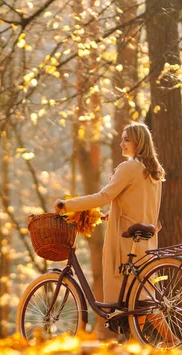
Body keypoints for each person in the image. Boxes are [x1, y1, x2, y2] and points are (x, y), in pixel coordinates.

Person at [54, 122, 165, 326]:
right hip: (146, 241)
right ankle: (167, 342)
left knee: (136, 299)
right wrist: (110, 215)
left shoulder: (129, 167)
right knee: (142, 300)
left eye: (126, 139)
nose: (121, 144)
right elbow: (138, 204)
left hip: (126, 241)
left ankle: (163, 341)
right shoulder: (154, 171)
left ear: (138, 142)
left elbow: (104, 196)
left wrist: (68, 205)